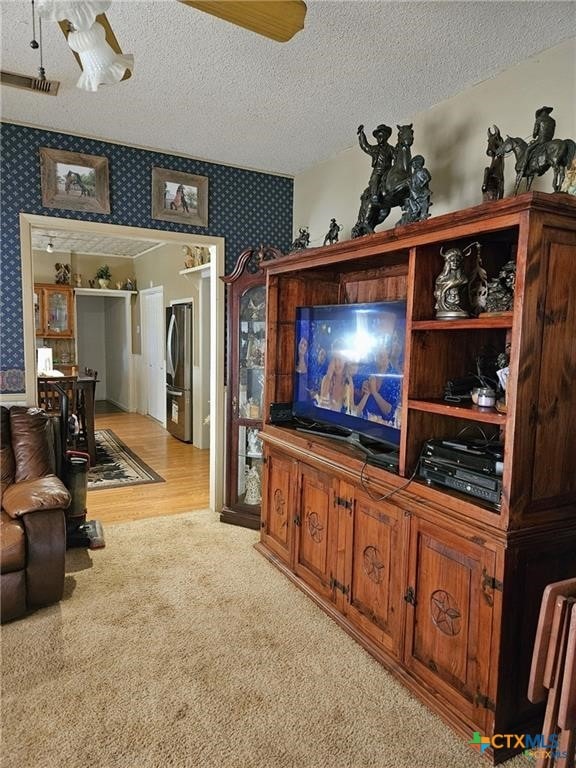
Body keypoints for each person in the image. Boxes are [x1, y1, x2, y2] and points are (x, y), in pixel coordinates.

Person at [357, 123, 395, 203]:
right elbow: (365, 146)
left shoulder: (390, 149)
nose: (379, 139)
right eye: (378, 137)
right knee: (375, 179)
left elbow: (397, 157)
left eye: (381, 136)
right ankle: (374, 195)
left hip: (388, 172)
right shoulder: (375, 149)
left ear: (386, 137)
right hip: (378, 171)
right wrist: (361, 134)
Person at [521, 106, 556, 177]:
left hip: (541, 140)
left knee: (527, 150)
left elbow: (535, 133)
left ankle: (523, 170)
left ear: (541, 112)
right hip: (549, 141)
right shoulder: (553, 120)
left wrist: (534, 135)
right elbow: (552, 132)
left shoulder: (539, 119)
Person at [319, 344, 354, 413]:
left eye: (340, 359)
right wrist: (329, 375)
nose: (337, 363)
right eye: (335, 359)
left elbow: (351, 409)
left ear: (345, 360)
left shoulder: (348, 381)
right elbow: (322, 405)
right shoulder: (326, 378)